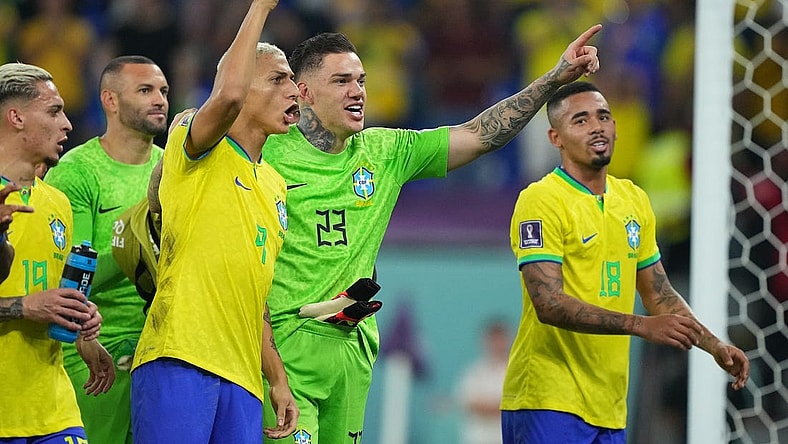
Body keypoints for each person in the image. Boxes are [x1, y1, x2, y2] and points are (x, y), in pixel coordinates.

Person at [261, 26, 603, 442]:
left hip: (353, 344)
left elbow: (479, 135)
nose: (358, 91)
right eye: (342, 81)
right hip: (286, 344)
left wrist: (554, 79)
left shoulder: (386, 151)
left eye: (362, 81)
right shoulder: (267, 152)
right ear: (304, 92)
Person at [501, 81, 750, 443]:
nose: (597, 126)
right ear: (556, 138)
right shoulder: (541, 200)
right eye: (581, 120)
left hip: (609, 406)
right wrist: (640, 326)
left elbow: (660, 294)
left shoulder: (633, 199)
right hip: (546, 399)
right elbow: (548, 303)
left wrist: (713, 345)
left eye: (603, 116)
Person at [129, 1, 300, 442]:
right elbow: (227, 97)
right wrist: (260, 7)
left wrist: (277, 378)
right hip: (179, 358)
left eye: (293, 81)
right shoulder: (196, 141)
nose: (294, 91)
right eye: (278, 79)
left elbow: (253, 295)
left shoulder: (276, 186)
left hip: (243, 380)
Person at [43, 54, 169, 444]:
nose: (160, 99)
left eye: (163, 90)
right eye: (145, 90)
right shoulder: (78, 171)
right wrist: (137, 237)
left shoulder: (175, 169)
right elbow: (73, 277)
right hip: (98, 353)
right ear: (110, 100)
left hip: (163, 349)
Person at [0, 61, 115, 442]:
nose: (67, 124)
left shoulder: (57, 204)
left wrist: (82, 324)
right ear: (15, 117)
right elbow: (34, 301)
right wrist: (25, 307)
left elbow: (53, 292)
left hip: (54, 409)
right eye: (53, 111)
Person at [456, 319, 512, 444]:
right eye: (494, 339)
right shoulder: (473, 372)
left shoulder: (515, 372)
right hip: (479, 438)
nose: (497, 344)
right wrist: (500, 407)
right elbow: (471, 404)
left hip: (504, 438)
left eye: (500, 339)